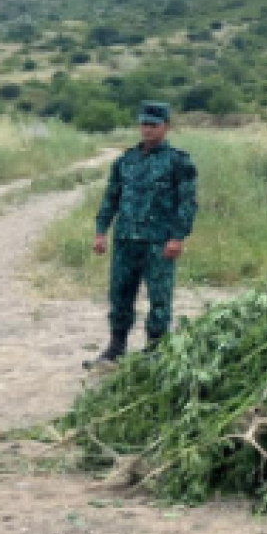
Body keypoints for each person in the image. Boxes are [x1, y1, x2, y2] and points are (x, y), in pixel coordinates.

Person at [85, 101, 198, 370]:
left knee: (159, 298)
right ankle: (116, 348)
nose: (147, 129)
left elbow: (187, 203)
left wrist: (177, 237)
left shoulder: (178, 162)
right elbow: (111, 198)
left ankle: (155, 351)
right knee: (120, 295)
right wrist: (101, 231)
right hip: (125, 240)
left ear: (166, 127)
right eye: (144, 124)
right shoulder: (125, 161)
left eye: (154, 125)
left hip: (159, 243)